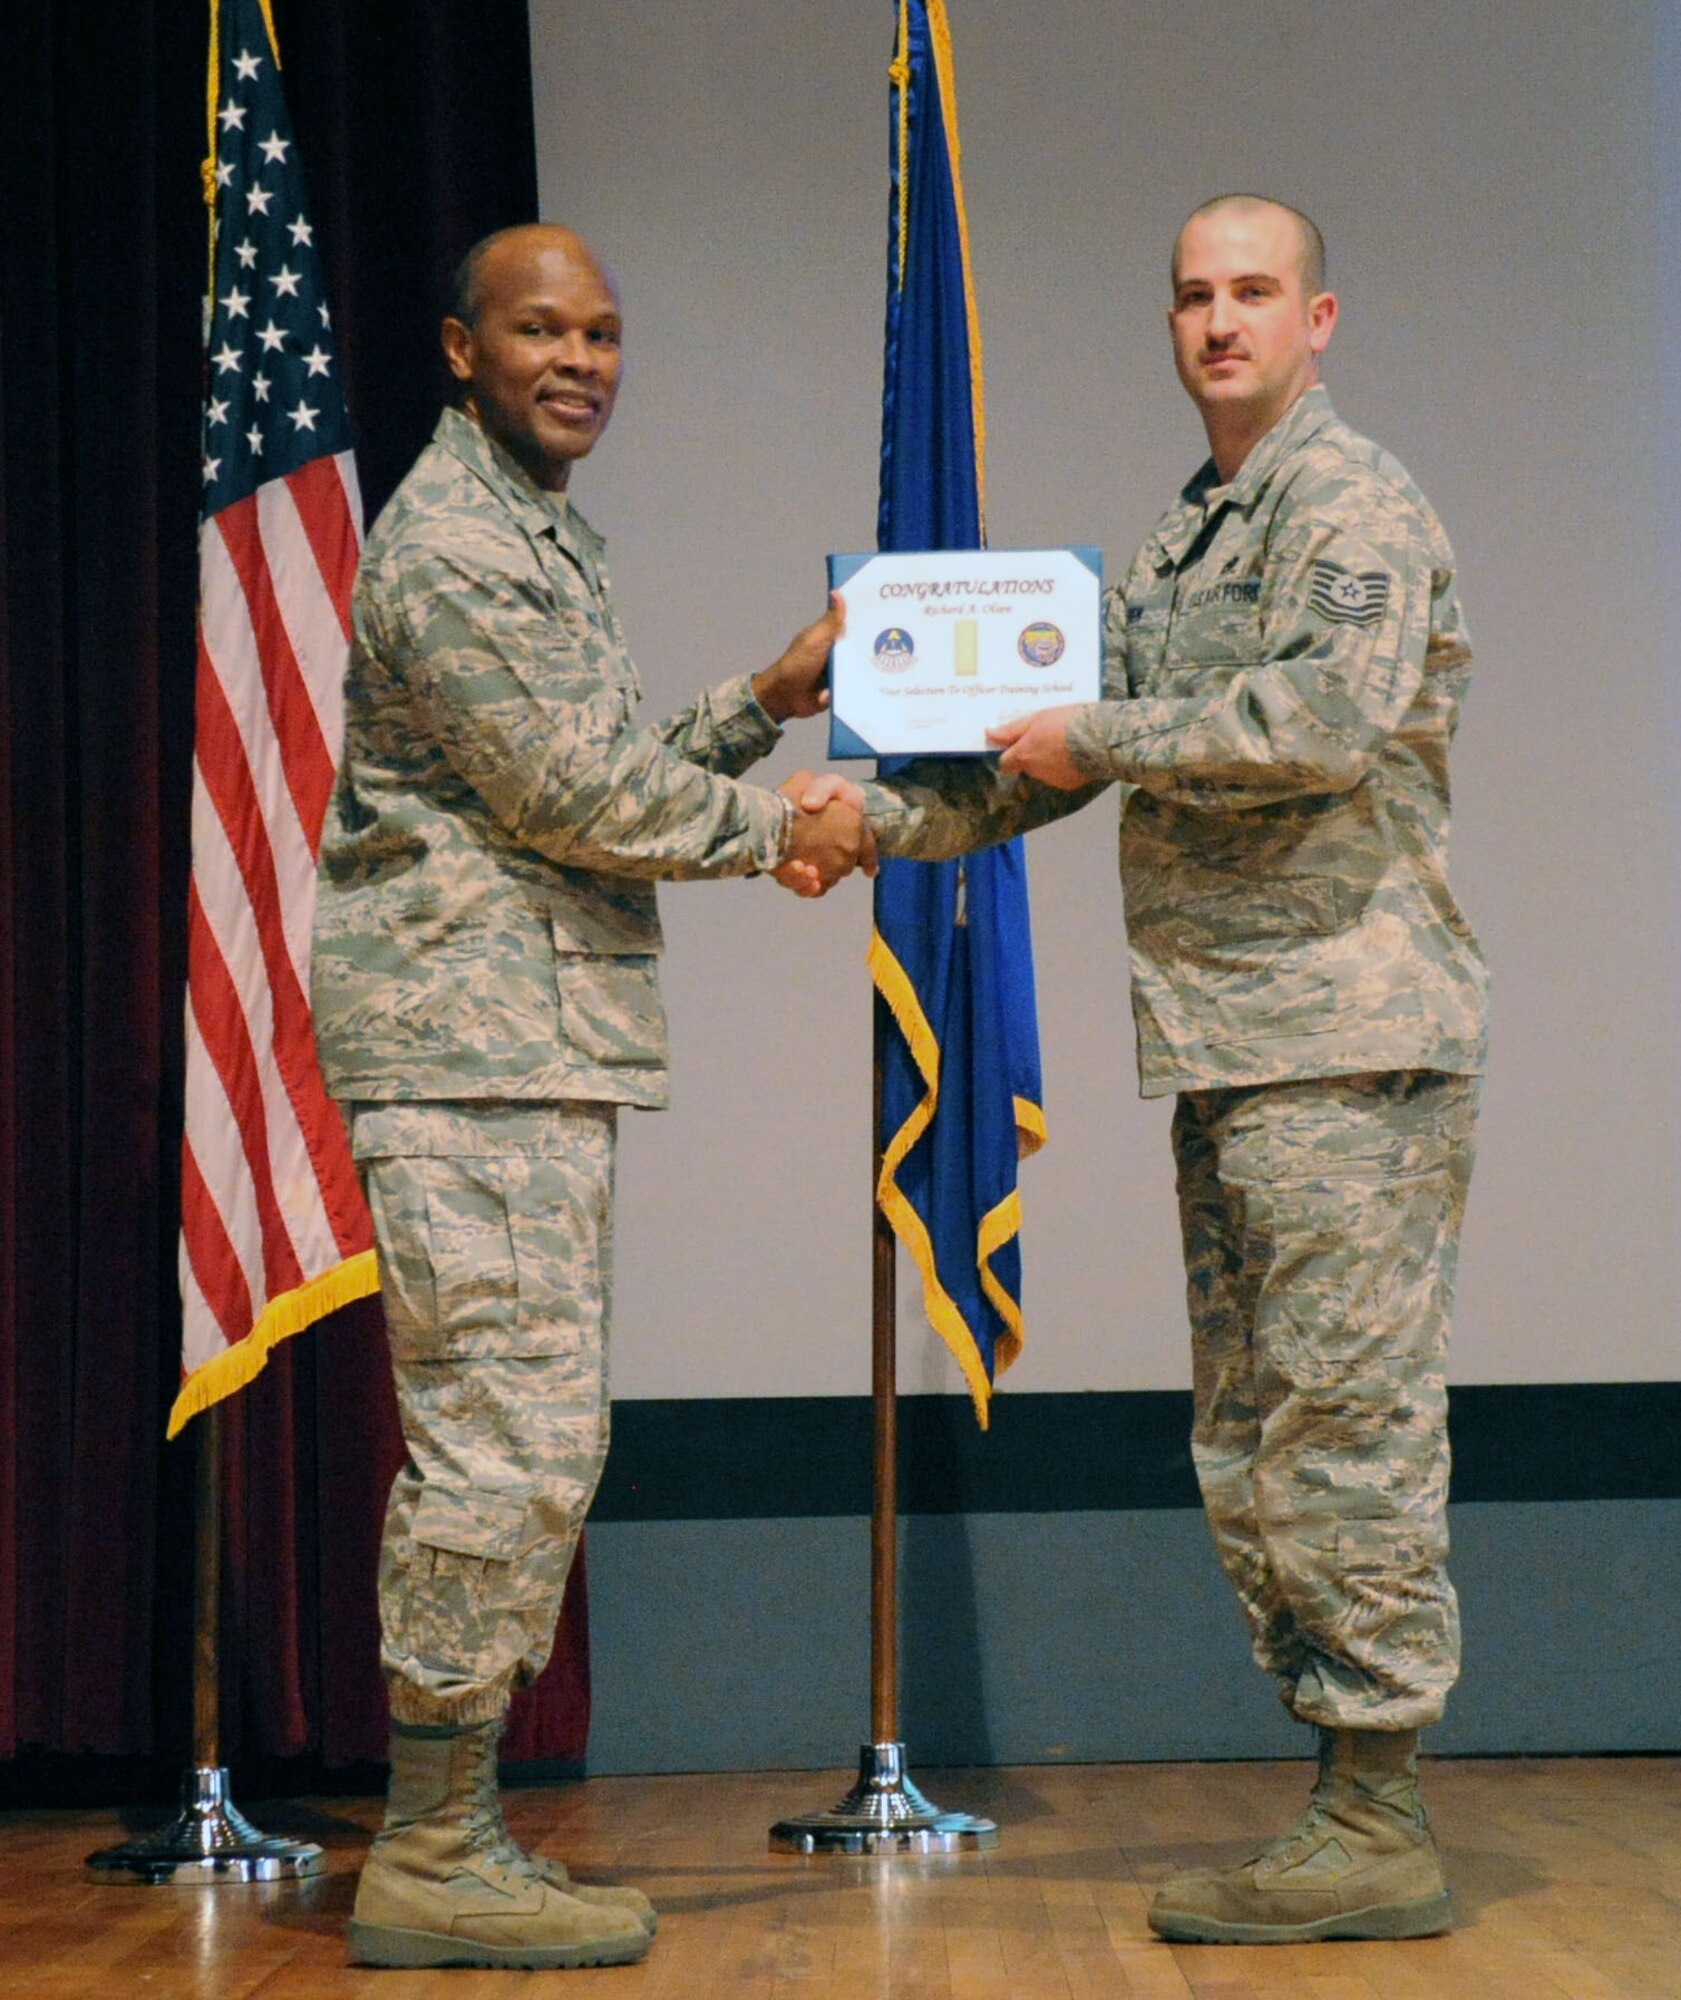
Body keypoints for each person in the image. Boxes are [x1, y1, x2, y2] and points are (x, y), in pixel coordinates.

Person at [806, 193, 1489, 1945]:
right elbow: (1036, 757)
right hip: (1234, 1046)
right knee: (1254, 1439)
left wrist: (1091, 728)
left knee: (1340, 1433)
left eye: (1253, 291)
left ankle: (1377, 1816)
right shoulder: (1192, 535)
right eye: (1192, 295)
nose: (1217, 321)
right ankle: (1344, 1801)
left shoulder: (1347, 505)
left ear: (1318, 319)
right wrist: (871, 821)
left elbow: (1311, 723)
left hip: (1344, 1044)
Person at [311, 222, 870, 1972]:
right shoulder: (454, 546)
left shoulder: (531, 531)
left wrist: (762, 703)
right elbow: (575, 798)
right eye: (540, 330)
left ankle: (456, 1830)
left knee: (536, 1447)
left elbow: (593, 776)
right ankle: (430, 1850)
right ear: (460, 350)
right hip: (469, 1054)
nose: (579, 361)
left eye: (604, 333)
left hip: (521, 1050)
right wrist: (795, 825)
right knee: (503, 1450)